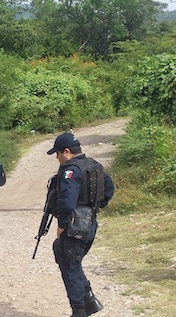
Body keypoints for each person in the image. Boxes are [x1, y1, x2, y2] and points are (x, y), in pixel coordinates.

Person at [46, 132, 114, 317]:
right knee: (72, 262)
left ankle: (80, 311)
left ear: (66, 152)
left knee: (70, 267)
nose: (57, 158)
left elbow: (67, 202)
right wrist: (94, 207)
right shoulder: (94, 165)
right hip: (90, 223)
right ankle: (89, 301)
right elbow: (109, 188)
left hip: (75, 227)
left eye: (57, 154)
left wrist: (62, 225)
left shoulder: (70, 170)